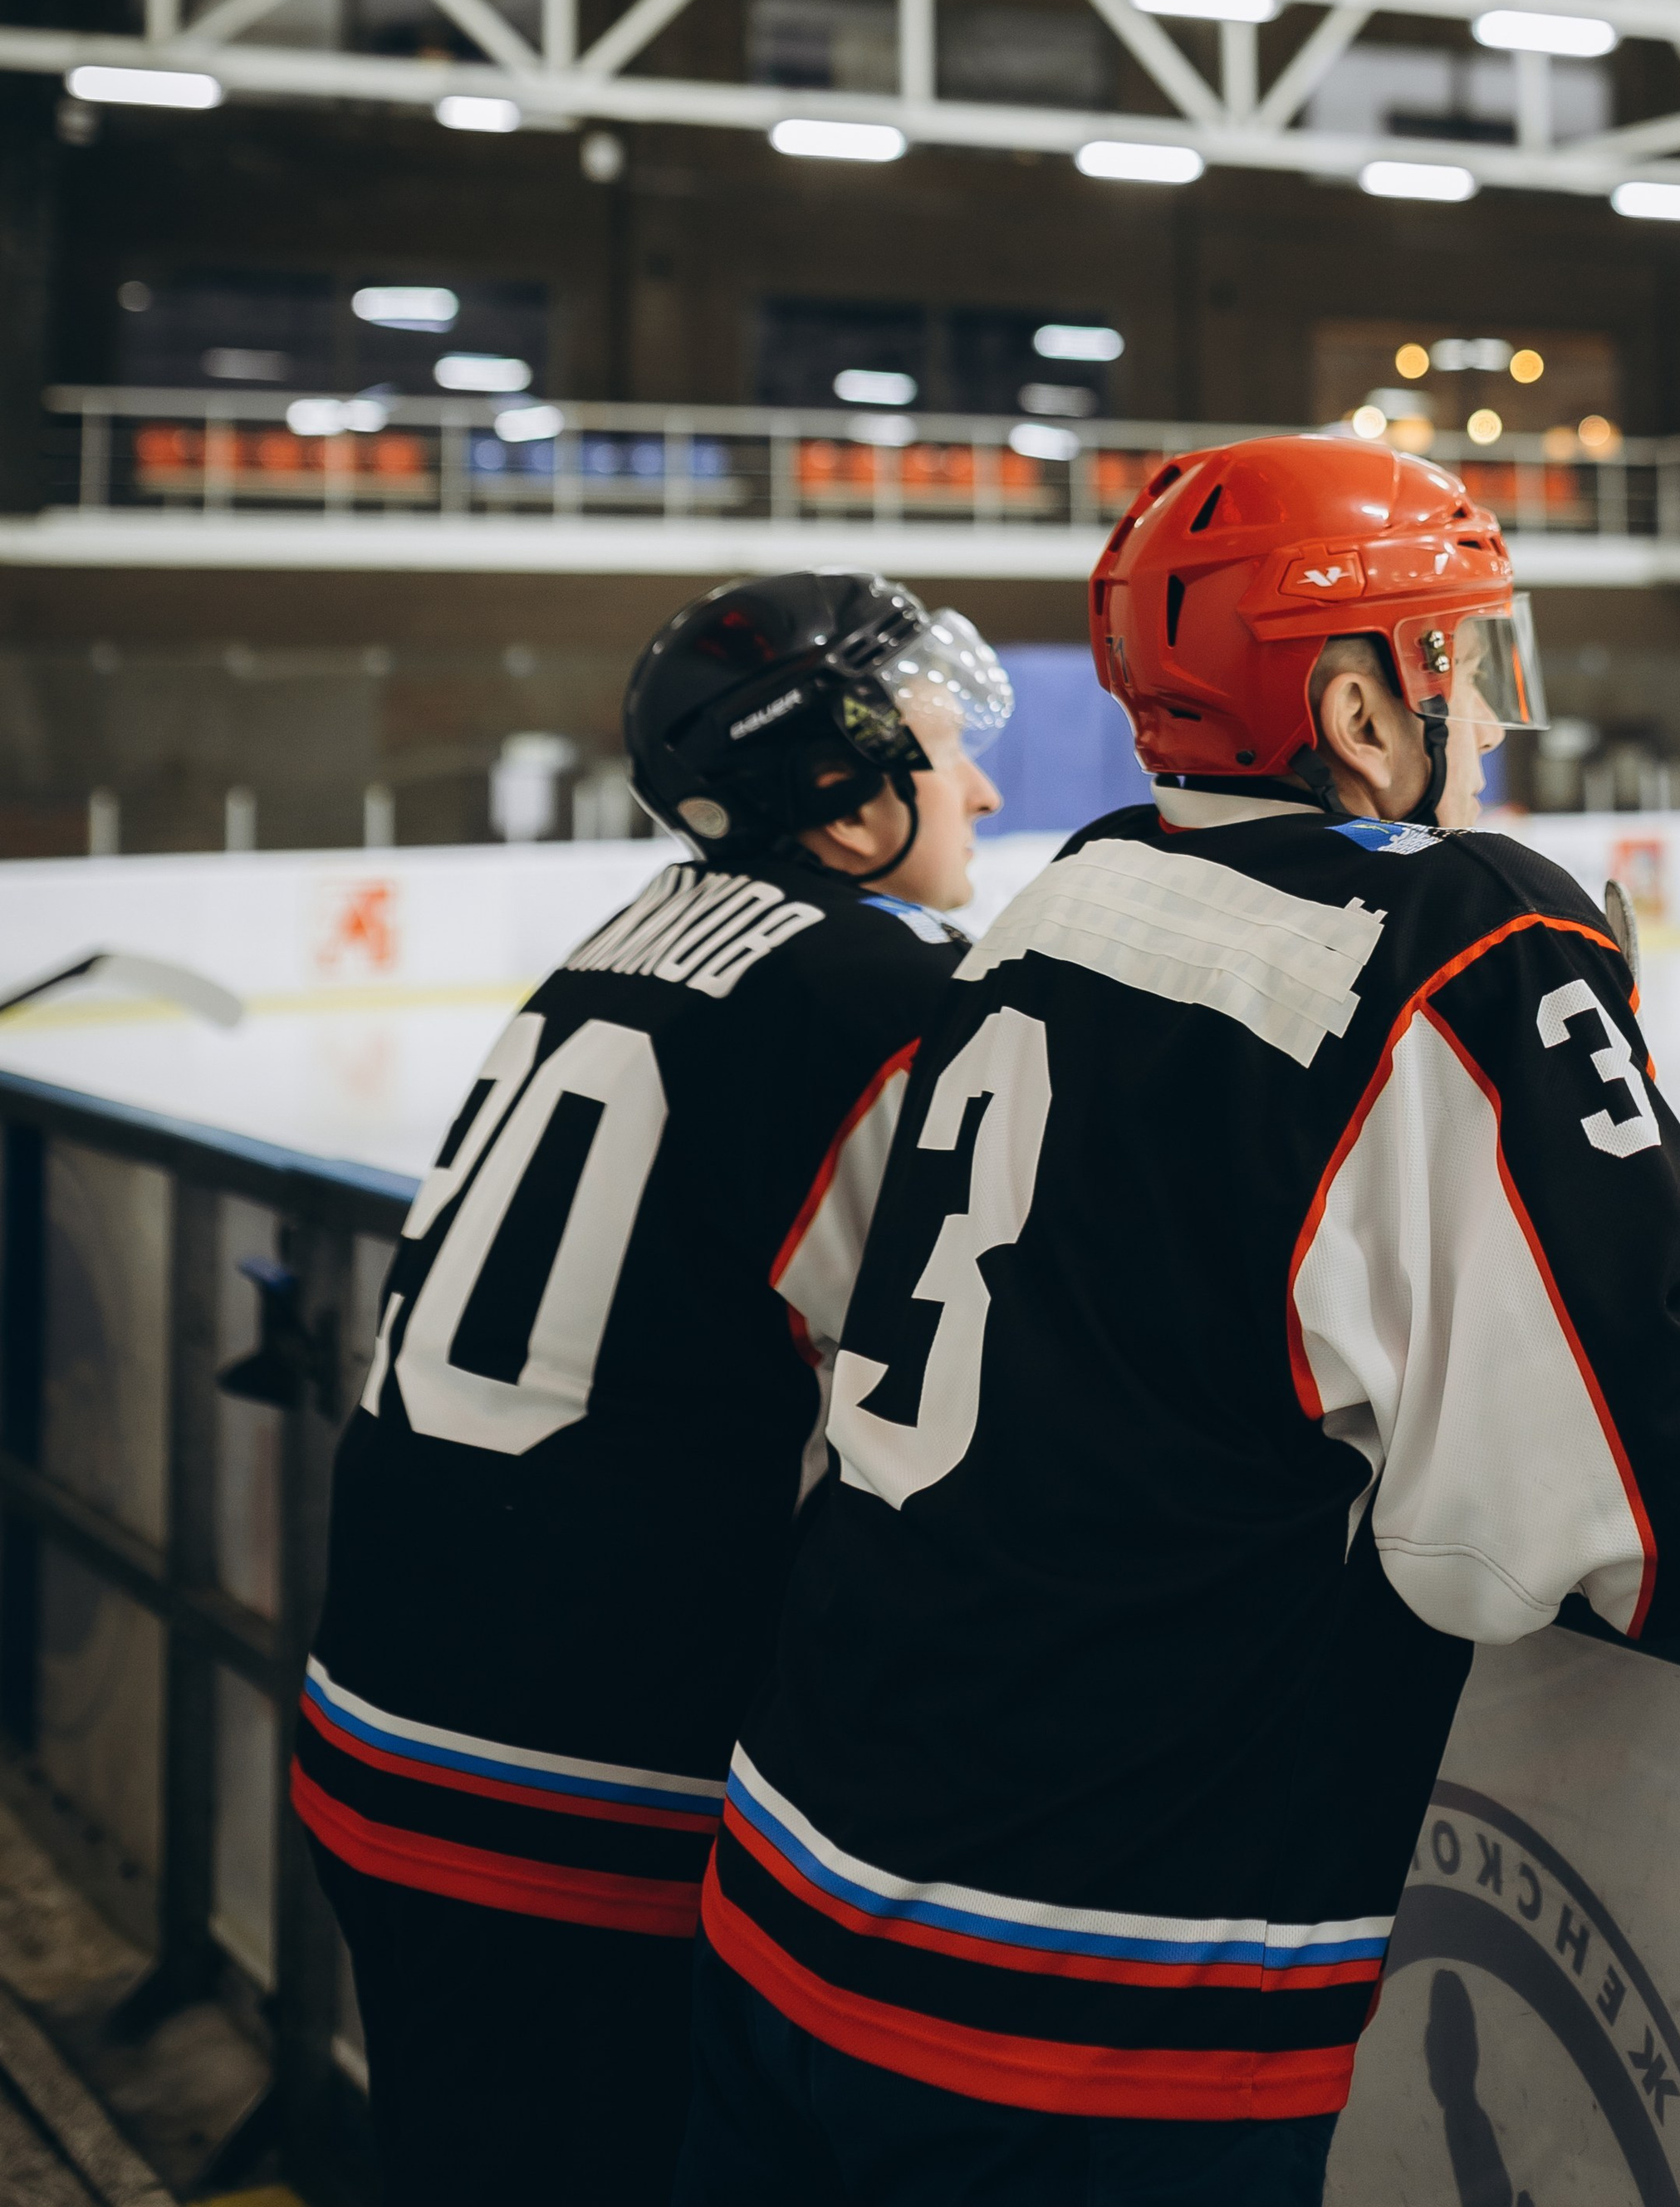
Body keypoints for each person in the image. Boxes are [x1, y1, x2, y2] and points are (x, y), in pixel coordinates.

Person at [681, 438, 1680, 2205]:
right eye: (1453, 659)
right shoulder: (1455, 936)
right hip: (1073, 1998)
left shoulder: (1059, 902)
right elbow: (1623, 1497)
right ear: (1352, 705)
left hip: (787, 1885)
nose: (1478, 708)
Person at [291, 572, 1010, 2207]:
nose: (974, 787)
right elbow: (993, 1376)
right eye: (945, 748)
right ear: (838, 800)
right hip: (574, 1798)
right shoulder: (870, 999)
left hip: (378, 1727)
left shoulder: (626, 943)